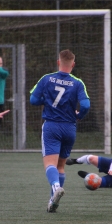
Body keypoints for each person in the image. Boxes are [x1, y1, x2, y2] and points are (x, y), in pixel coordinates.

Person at [30, 49, 90, 213]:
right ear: (73, 65)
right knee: (61, 166)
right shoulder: (78, 83)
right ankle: (53, 203)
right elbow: (85, 105)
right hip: (70, 128)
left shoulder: (46, 79)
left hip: (52, 126)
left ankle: (56, 186)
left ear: (58, 62)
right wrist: (79, 116)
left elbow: (33, 99)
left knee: (50, 164)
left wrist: (47, 101)